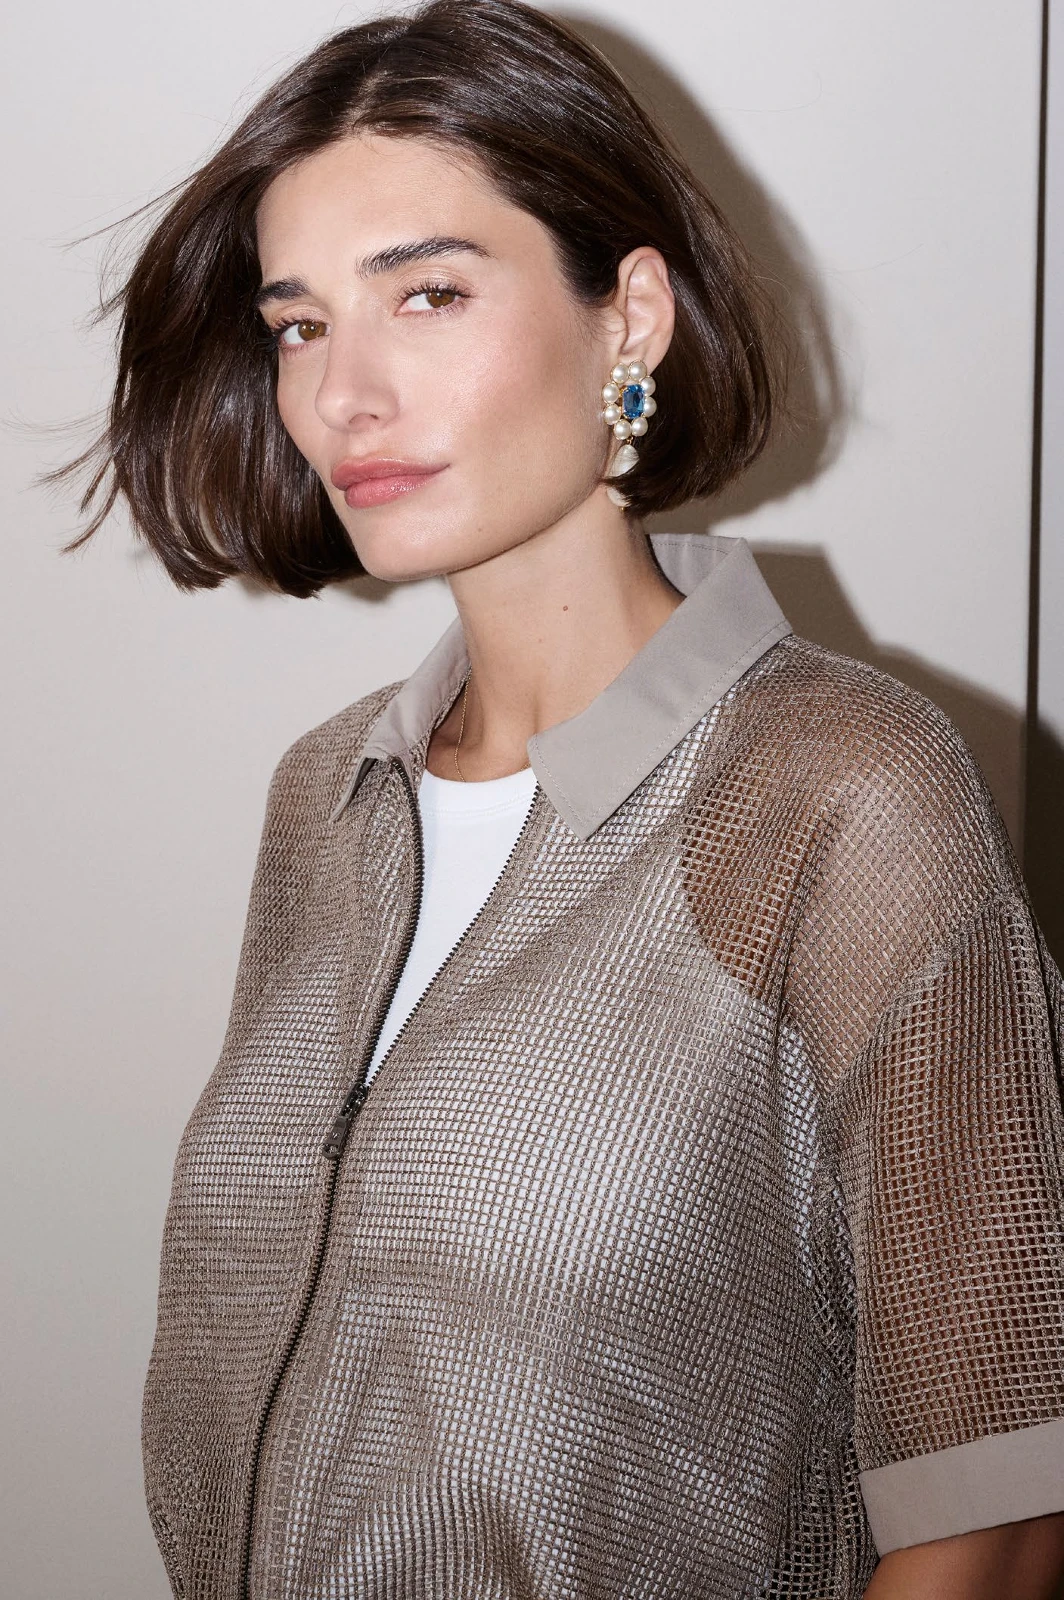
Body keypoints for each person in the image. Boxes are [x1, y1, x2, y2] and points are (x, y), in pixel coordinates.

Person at [54, 1, 1064, 1595]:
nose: (343, 395)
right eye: (301, 324)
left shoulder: (840, 794)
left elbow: (995, 1511)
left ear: (630, 320)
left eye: (429, 294)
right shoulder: (328, 797)